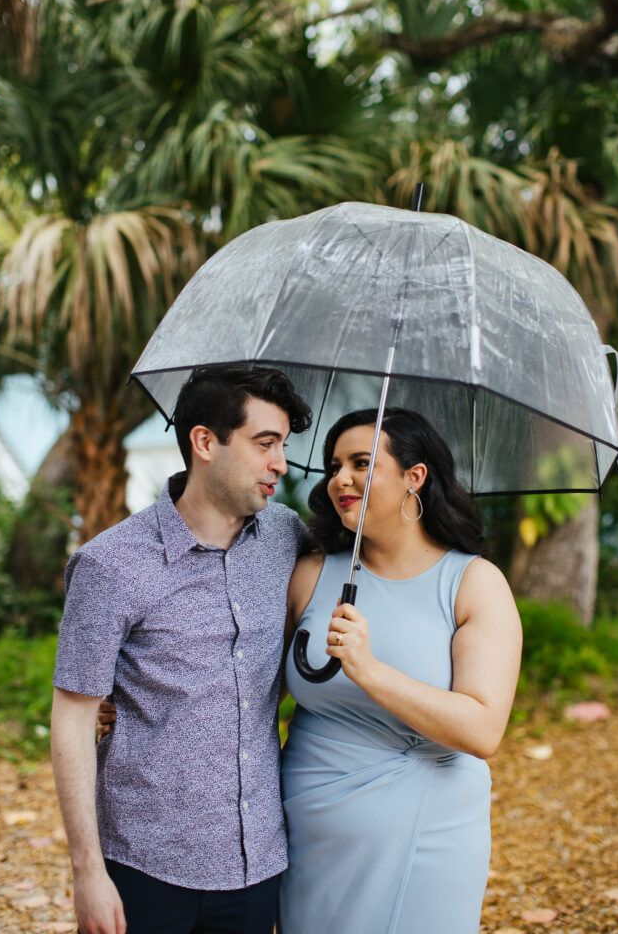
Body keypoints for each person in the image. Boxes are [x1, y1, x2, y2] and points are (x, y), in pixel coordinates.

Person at [51, 363, 312, 934]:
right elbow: (71, 720)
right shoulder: (110, 565)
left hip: (257, 861)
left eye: (284, 446)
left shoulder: (288, 537)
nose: (281, 464)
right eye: (265, 443)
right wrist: (87, 873)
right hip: (144, 864)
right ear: (205, 442)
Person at [278, 407, 522, 934]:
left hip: (431, 827)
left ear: (415, 477)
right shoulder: (310, 575)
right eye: (334, 464)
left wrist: (371, 670)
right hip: (311, 824)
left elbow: (482, 729)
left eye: (362, 463)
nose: (341, 478)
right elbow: (249, 694)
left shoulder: (474, 583)